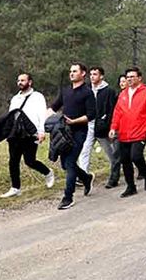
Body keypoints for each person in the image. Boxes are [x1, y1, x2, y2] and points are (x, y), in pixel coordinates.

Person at [48, 63, 96, 210]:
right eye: (70, 71)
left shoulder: (87, 92)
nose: (72, 73)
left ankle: (68, 197)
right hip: (63, 132)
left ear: (83, 74)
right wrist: (46, 122)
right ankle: (86, 178)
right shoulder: (66, 91)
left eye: (75, 71)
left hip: (80, 132)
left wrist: (74, 121)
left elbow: (91, 115)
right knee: (65, 164)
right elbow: (53, 107)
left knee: (69, 164)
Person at [0, 73, 54, 198]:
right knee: (13, 161)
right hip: (15, 134)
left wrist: (41, 132)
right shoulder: (15, 99)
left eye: (23, 80)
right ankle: (15, 188)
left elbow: (42, 114)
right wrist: (7, 132)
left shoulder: (37, 97)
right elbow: (11, 116)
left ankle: (48, 172)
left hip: (31, 133)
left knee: (30, 161)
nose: (20, 82)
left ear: (30, 82)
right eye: (18, 80)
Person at [109, 67, 146, 198]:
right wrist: (113, 128)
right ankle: (131, 186)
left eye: (132, 77)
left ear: (139, 78)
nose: (129, 79)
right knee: (125, 160)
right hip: (124, 133)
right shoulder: (123, 94)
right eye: (127, 77)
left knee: (136, 156)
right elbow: (117, 113)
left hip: (140, 132)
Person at [77, 67, 119, 188]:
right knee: (85, 150)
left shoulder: (109, 91)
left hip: (102, 127)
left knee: (110, 153)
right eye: (91, 74)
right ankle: (83, 176)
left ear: (101, 76)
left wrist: (110, 125)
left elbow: (112, 109)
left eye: (95, 74)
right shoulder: (87, 90)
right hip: (89, 125)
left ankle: (115, 173)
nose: (92, 77)